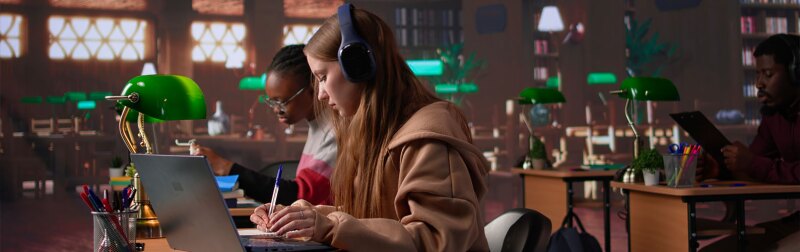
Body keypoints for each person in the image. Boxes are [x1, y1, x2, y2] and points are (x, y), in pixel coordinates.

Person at [250, 4, 490, 251]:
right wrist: (302, 214)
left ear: (357, 66)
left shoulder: (429, 137)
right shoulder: (375, 131)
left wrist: (330, 227)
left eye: (322, 77)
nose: (320, 94)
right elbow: (369, 217)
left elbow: (435, 240)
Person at [192, 44, 337, 205]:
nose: (276, 109)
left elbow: (300, 197)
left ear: (312, 89)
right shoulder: (317, 125)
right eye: (271, 102)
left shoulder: (333, 133)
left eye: (282, 101)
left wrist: (226, 167)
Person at [697, 33, 800, 251]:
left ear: (795, 73)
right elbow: (755, 165)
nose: (759, 83)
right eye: (757, 74)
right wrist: (720, 170)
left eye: (768, 74)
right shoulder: (775, 115)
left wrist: (751, 163)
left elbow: (757, 164)